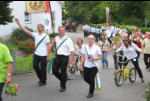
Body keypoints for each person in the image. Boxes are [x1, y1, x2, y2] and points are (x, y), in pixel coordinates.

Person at [15, 18, 50, 86]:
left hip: (44, 55)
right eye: (38, 27)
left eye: (40, 27)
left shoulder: (46, 36)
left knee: (43, 69)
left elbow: (48, 46)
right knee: (35, 66)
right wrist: (19, 24)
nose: (39, 28)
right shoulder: (35, 34)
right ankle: (41, 78)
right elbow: (25, 30)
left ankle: (43, 81)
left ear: (43, 28)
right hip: (36, 54)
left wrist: (48, 56)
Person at [51, 26, 75, 92]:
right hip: (57, 56)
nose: (61, 31)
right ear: (58, 31)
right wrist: (53, 42)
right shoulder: (56, 38)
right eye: (60, 30)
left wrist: (72, 60)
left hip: (64, 57)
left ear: (64, 31)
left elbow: (72, 51)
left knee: (63, 71)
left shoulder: (68, 39)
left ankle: (63, 86)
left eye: (62, 30)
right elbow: (52, 49)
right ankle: (63, 79)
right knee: (54, 71)